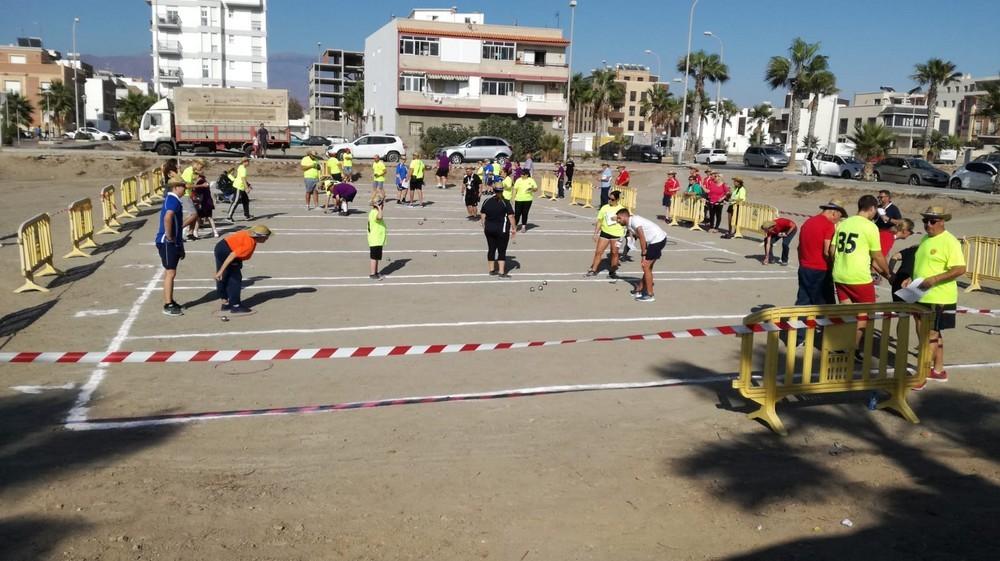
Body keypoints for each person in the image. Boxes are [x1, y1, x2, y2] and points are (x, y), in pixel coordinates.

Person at [903, 207, 966, 387]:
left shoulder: (949, 241)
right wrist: (910, 278)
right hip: (919, 291)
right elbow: (922, 264)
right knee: (931, 334)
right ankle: (938, 370)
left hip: (939, 296)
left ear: (942, 222)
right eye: (925, 221)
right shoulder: (925, 238)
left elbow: (960, 269)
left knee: (929, 335)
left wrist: (935, 279)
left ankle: (920, 376)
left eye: (932, 221)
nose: (927, 225)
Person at [832, 195, 893, 354]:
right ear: (872, 209)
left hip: (839, 274)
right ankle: (853, 348)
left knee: (847, 312)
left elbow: (832, 250)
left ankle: (843, 344)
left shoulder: (843, 223)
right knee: (865, 315)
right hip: (859, 277)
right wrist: (888, 273)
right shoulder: (870, 227)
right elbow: (878, 255)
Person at [795, 200, 847, 307]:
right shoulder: (828, 225)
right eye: (839, 217)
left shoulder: (808, 222)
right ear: (834, 213)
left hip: (804, 267)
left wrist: (803, 262)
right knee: (825, 304)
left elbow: (799, 247)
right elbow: (827, 251)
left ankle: (799, 322)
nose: (838, 220)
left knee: (804, 301)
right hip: (821, 269)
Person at [213, 225, 271, 314]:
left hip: (221, 247)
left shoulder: (247, 234)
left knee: (224, 276)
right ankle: (235, 305)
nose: (267, 239)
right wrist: (220, 271)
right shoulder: (249, 244)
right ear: (259, 237)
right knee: (234, 279)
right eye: (265, 237)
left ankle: (225, 303)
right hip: (227, 252)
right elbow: (232, 255)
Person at [615, 209, 667, 303]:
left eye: (619, 218)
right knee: (648, 267)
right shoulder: (628, 225)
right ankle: (640, 289)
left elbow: (642, 237)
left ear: (625, 216)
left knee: (645, 266)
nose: (618, 220)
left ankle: (650, 295)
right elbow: (637, 237)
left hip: (657, 240)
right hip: (656, 240)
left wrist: (643, 254)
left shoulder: (634, 221)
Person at [156, 177, 187, 316]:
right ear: (175, 187)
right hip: (167, 242)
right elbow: (168, 217)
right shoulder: (173, 200)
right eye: (182, 186)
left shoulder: (173, 200)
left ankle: (170, 301)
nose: (185, 189)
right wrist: (169, 237)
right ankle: (168, 304)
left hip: (173, 242)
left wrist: (180, 246)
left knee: (171, 272)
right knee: (170, 272)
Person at [479, 184, 516, 278]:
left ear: (494, 190)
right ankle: (501, 272)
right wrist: (514, 228)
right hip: (501, 230)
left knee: (491, 248)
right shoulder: (505, 202)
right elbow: (511, 216)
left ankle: (491, 270)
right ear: (502, 191)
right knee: (501, 250)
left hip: (489, 229)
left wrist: (484, 225)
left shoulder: (487, 201)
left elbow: (483, 214)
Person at [587, 190, 625, 279]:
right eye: (609, 198)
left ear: (617, 199)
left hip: (617, 234)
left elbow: (626, 221)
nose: (609, 201)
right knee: (598, 252)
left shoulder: (622, 209)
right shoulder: (604, 208)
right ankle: (594, 269)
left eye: (612, 199)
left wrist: (618, 219)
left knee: (614, 253)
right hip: (605, 233)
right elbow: (599, 221)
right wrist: (595, 233)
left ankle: (613, 271)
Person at [180, 159, 206, 239]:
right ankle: (177, 229)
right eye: (200, 167)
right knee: (194, 214)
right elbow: (187, 186)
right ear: (197, 164)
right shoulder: (189, 171)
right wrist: (201, 186)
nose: (201, 169)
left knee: (195, 214)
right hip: (185, 195)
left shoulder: (192, 171)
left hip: (189, 194)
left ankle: (190, 233)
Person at [876, 189, 903, 258]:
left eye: (881, 197)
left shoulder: (893, 208)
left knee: (884, 252)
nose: (879, 199)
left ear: (887, 197)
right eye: (878, 197)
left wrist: (888, 219)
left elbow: (900, 221)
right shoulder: (878, 207)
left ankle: (883, 266)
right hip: (876, 233)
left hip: (887, 234)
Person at [226, 157, 253, 222]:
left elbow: (241, 178)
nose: (249, 163)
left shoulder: (241, 167)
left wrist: (248, 185)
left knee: (246, 201)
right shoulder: (243, 169)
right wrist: (247, 188)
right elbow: (243, 179)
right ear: (245, 162)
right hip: (239, 187)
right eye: (248, 161)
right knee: (235, 201)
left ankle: (247, 215)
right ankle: (229, 217)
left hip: (241, 187)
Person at [368, 194, 387, 280]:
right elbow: (379, 217)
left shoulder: (374, 211)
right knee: (374, 257)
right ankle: (372, 273)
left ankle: (376, 272)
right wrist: (379, 208)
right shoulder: (375, 212)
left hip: (378, 239)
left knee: (376, 257)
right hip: (375, 239)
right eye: (382, 204)